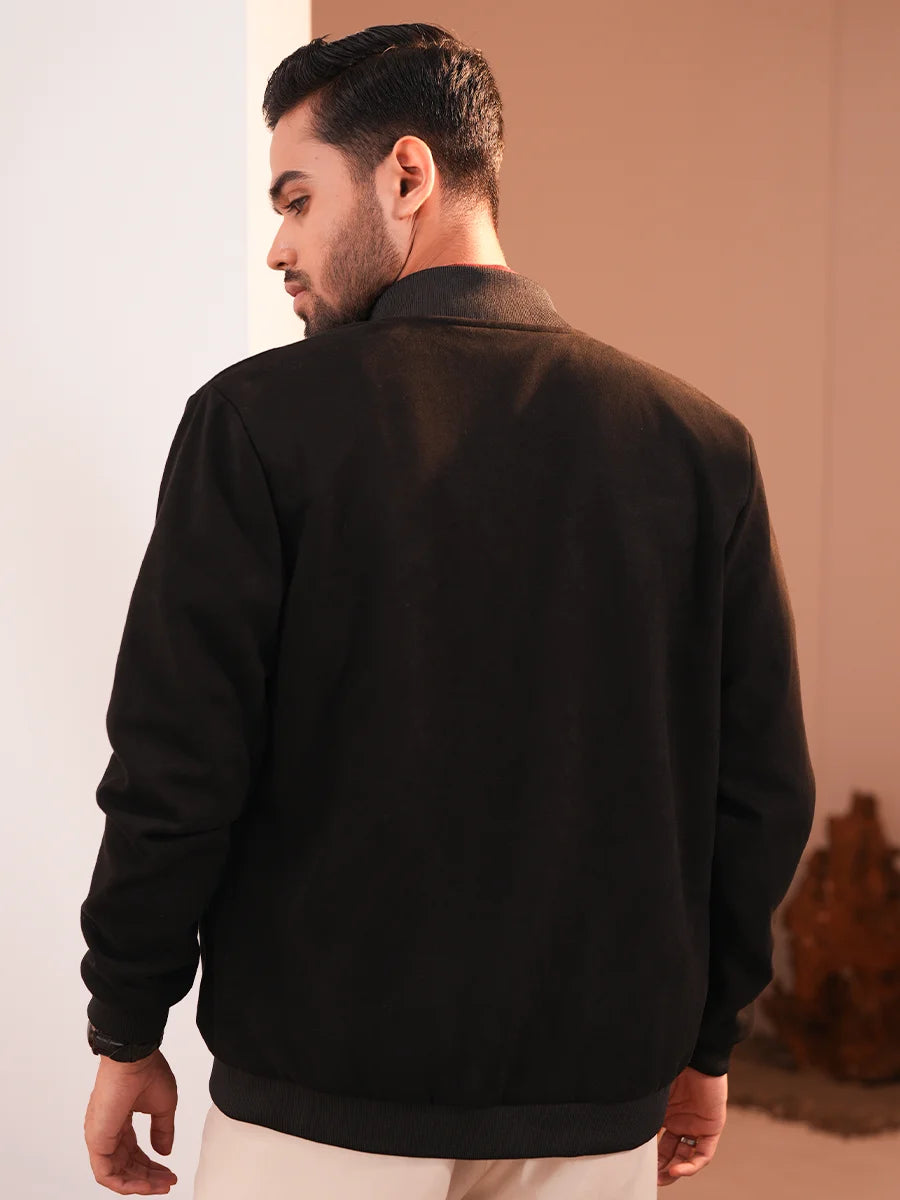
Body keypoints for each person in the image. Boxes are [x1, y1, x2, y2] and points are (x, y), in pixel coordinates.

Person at [79, 21, 816, 1199]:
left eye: (298, 197)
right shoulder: (696, 446)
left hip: (319, 1103)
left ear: (407, 175)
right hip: (592, 1106)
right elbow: (762, 793)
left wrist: (127, 1025)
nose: (279, 245)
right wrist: (707, 1038)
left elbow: (178, 767)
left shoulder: (256, 422)